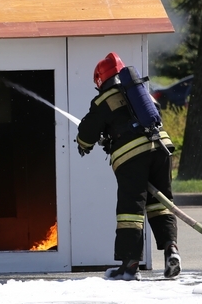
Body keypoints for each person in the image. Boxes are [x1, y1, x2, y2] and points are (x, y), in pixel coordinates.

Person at [76, 52, 181, 281]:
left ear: (100, 81)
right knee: (160, 204)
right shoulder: (142, 94)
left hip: (132, 157)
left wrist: (83, 144)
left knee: (130, 210)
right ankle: (171, 249)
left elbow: (87, 132)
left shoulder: (105, 100)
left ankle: (130, 264)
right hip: (161, 150)